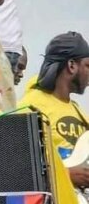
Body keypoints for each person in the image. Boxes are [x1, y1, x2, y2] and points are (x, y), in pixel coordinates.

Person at [19, 32, 89, 188]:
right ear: (71, 66)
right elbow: (17, 164)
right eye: (87, 65)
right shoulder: (30, 106)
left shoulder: (78, 111)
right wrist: (67, 174)